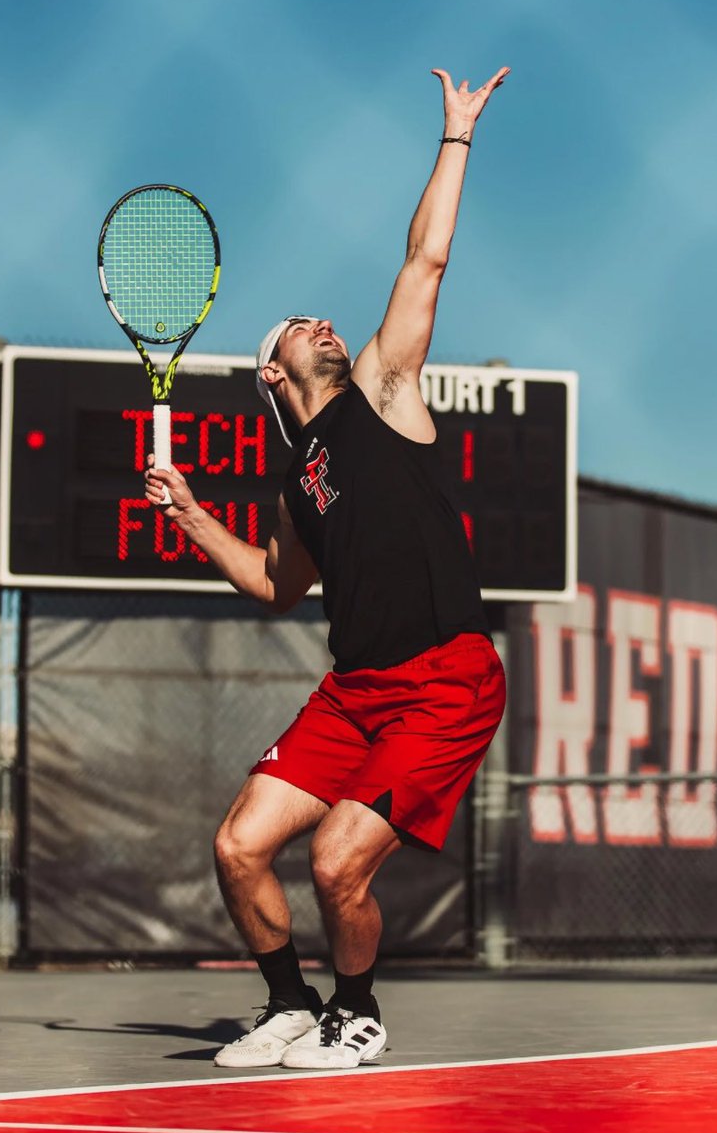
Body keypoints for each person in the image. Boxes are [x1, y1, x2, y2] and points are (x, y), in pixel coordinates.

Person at [145, 65, 510, 1071]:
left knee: (338, 858)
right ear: (274, 370)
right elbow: (271, 585)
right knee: (236, 846)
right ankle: (288, 1005)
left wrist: (457, 137)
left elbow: (426, 262)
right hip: (356, 691)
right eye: (305, 327)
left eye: (329, 322)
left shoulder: (386, 393)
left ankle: (358, 1010)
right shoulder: (294, 482)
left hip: (447, 680)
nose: (328, 326)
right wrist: (189, 515)